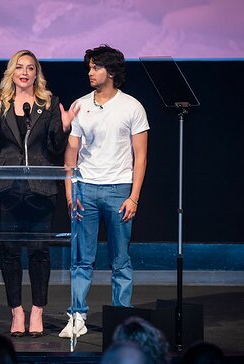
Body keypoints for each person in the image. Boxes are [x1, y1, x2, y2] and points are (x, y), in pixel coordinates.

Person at [0, 50, 78, 337]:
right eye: (20, 67)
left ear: (36, 74)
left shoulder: (50, 103)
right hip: (5, 189)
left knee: (39, 253)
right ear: (12, 72)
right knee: (8, 252)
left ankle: (37, 313)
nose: (25, 72)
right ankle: (16, 313)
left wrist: (65, 127)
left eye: (31, 68)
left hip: (41, 189)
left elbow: (55, 149)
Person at [59, 44, 149, 338]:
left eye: (95, 67)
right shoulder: (80, 105)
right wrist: (71, 192)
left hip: (119, 189)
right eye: (89, 67)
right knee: (81, 259)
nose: (90, 72)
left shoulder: (132, 106)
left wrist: (133, 196)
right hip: (85, 189)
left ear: (111, 71)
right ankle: (77, 316)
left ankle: (121, 319)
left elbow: (141, 155)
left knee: (120, 260)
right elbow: (71, 151)